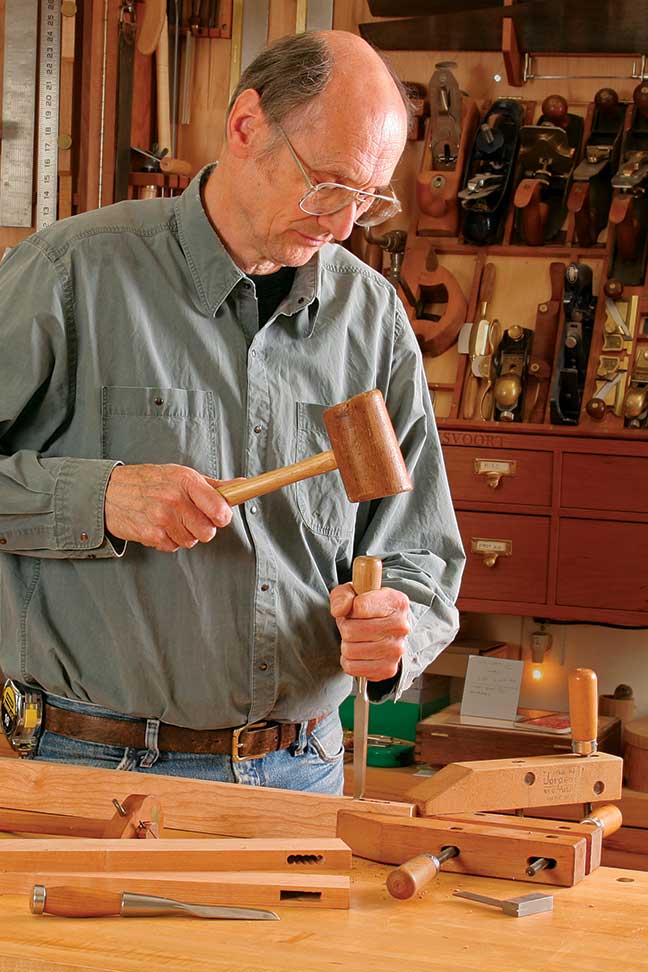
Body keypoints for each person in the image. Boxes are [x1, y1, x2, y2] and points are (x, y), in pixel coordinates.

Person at [0, 30, 464, 793]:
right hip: (90, 766)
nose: (344, 225)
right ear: (247, 126)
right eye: (329, 186)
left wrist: (397, 625)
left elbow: (422, 549)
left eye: (369, 200)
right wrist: (99, 498)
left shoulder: (372, 318)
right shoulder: (69, 275)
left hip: (302, 766)